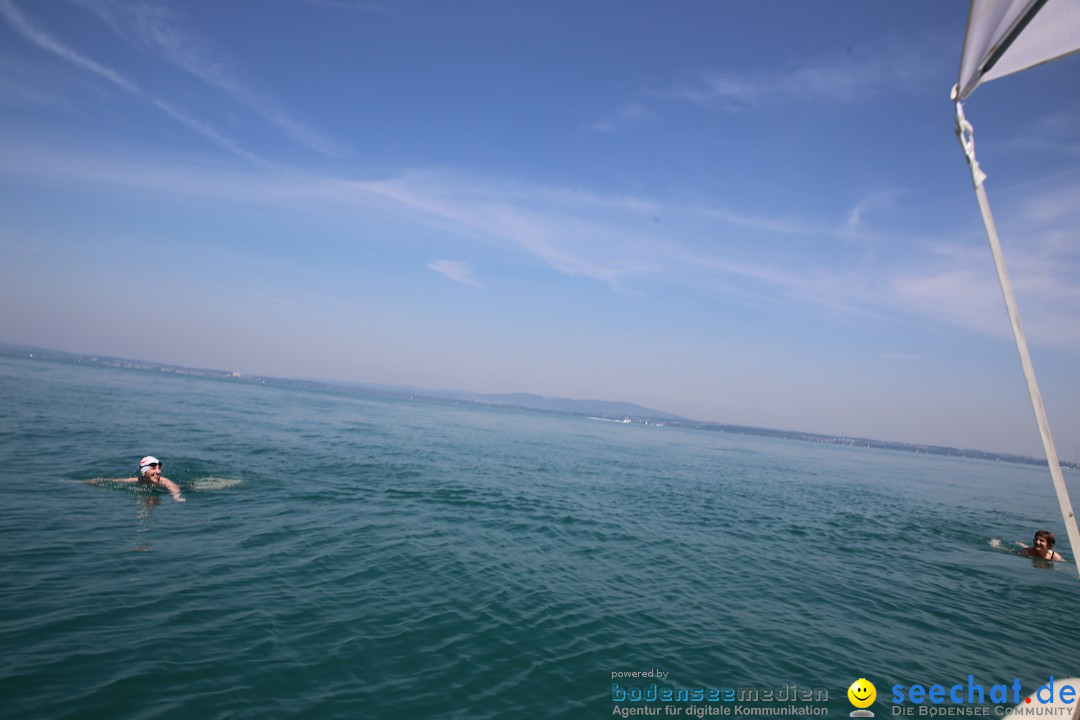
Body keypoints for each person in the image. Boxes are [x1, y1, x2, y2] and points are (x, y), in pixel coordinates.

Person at [114, 455, 186, 503]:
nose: (158, 471)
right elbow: (119, 481)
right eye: (154, 469)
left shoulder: (163, 481)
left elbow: (173, 488)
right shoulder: (139, 480)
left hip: (184, 488)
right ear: (144, 472)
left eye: (159, 468)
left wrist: (176, 497)